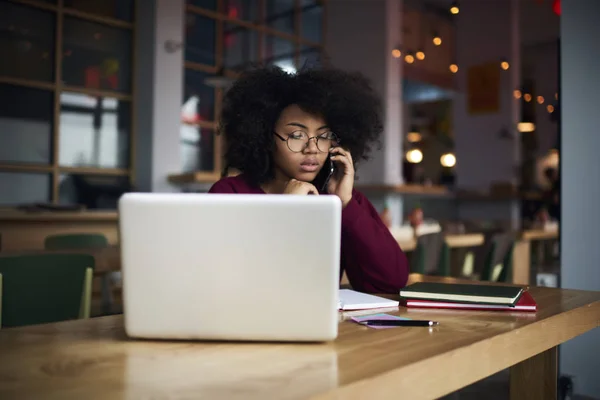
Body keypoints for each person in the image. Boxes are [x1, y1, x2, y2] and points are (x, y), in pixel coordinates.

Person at [208, 66, 409, 294]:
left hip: (330, 328)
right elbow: (228, 282)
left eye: (323, 137)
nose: (312, 148)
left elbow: (392, 280)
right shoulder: (231, 194)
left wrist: (346, 206)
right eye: (296, 135)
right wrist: (285, 211)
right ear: (264, 137)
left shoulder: (339, 199)